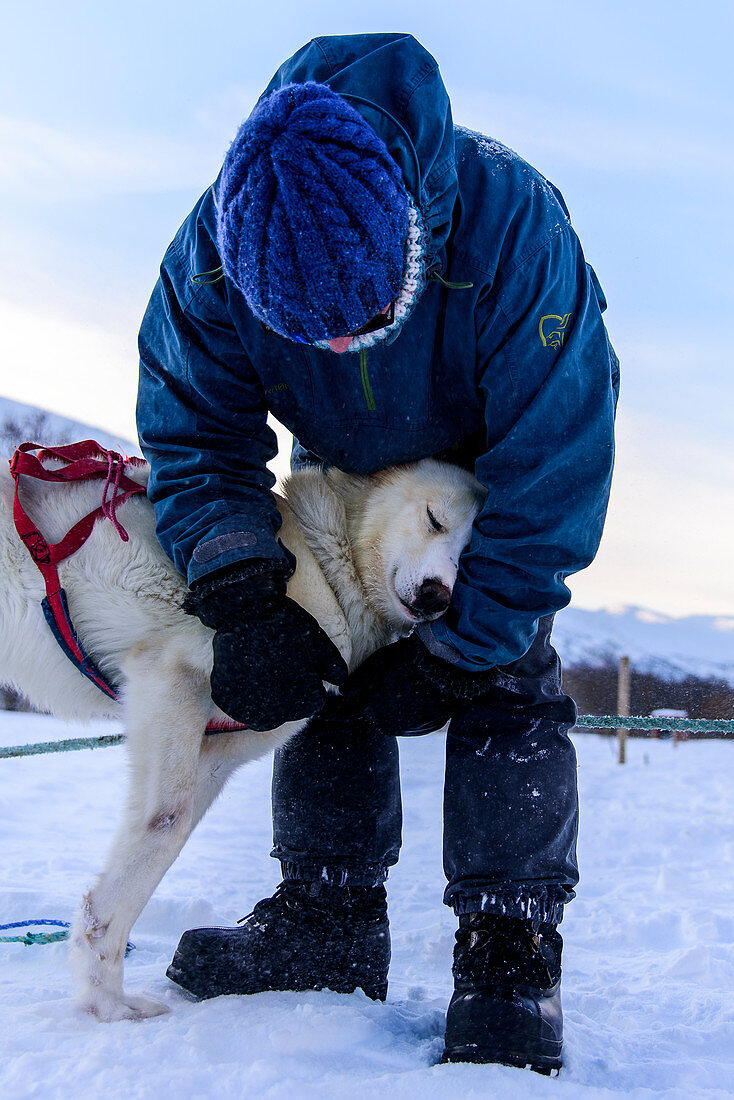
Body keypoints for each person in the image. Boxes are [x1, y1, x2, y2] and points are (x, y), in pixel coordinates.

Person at [137, 32, 618, 1073]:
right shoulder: (214, 255)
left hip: (488, 464)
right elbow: (192, 427)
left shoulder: (510, 233)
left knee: (504, 667)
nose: (344, 344)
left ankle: (508, 946)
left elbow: (558, 468)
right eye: (311, 333)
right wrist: (239, 586)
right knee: (317, 648)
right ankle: (327, 910)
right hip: (339, 470)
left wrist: (462, 644)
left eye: (362, 318)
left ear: (409, 228)